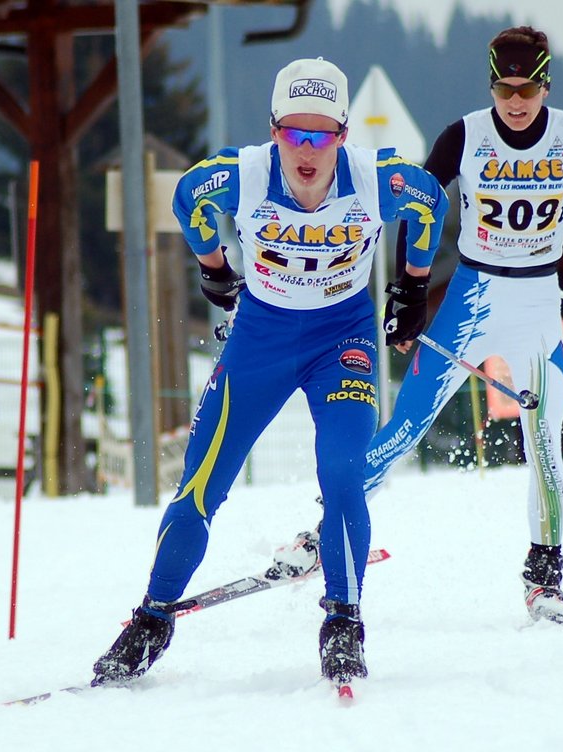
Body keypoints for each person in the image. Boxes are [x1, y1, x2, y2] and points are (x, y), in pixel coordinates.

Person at [91, 57, 448, 687]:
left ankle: (344, 622)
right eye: (293, 134)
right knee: (200, 485)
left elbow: (431, 202)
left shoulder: (374, 180)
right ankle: (151, 618)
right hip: (260, 339)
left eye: (322, 135)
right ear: (274, 130)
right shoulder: (247, 174)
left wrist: (413, 287)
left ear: (343, 135)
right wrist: (213, 266)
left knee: (343, 473)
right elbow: (187, 196)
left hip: (342, 340)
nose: (307, 151)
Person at [273, 27, 563, 624]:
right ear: (491, 86)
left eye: (527, 90)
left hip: (536, 307)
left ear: (545, 86)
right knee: (405, 428)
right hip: (471, 299)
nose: (515, 102)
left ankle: (545, 578)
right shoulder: (465, 135)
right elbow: (418, 203)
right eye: (504, 89)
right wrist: (408, 293)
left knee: (545, 446)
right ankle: (324, 532)